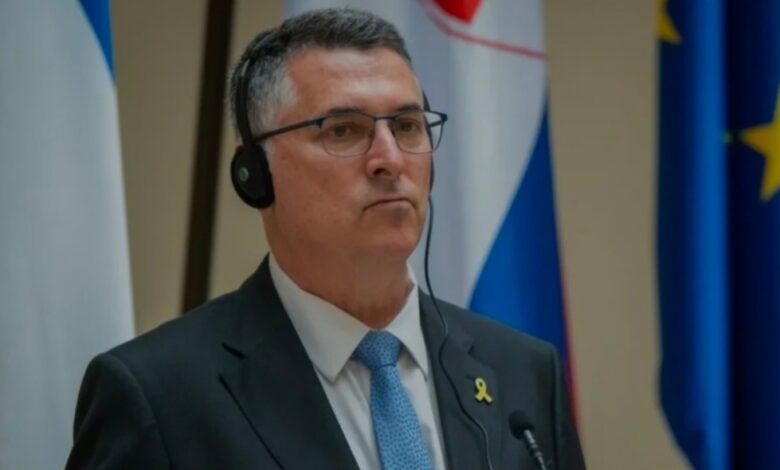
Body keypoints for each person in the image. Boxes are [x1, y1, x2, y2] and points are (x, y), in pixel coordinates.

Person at [66, 8, 585, 470]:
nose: (390, 159)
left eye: (407, 125)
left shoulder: (523, 373)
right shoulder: (157, 396)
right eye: (344, 130)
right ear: (255, 174)